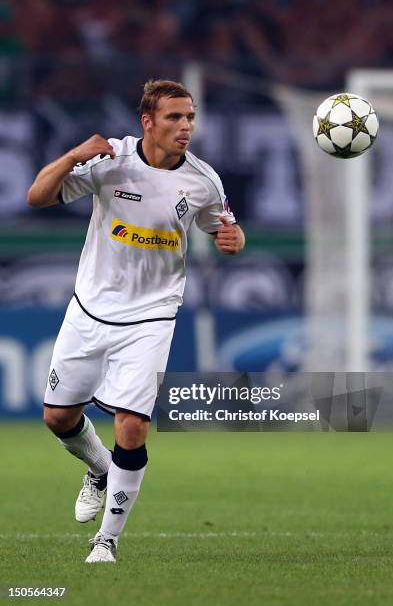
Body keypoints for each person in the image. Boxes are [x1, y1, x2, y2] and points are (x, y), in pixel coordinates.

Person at [27, 79, 245, 563]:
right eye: (174, 117)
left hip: (153, 315)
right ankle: (99, 469)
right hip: (90, 309)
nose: (185, 126)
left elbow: (224, 225)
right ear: (147, 121)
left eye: (189, 117)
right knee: (58, 417)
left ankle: (106, 540)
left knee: (133, 426)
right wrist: (73, 155)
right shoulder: (109, 162)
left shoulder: (203, 180)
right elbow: (38, 196)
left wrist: (235, 240)